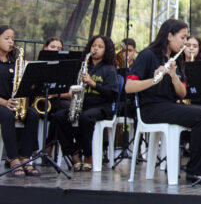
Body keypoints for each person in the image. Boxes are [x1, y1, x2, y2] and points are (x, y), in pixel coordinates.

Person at [126, 18, 201, 185]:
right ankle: (196, 172)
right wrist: (153, 80)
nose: (185, 43)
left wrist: (172, 76)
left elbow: (182, 93)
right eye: (183, 37)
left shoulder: (175, 60)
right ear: (169, 36)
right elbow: (129, 87)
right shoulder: (148, 55)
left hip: (169, 105)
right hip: (151, 108)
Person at [50, 35, 119, 172]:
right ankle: (73, 152)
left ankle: (88, 155)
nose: (96, 49)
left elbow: (112, 93)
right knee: (59, 117)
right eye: (94, 46)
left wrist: (93, 84)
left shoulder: (109, 69)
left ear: (106, 50)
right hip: (83, 105)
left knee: (85, 118)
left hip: (101, 106)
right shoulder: (84, 66)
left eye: (100, 47)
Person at [0, 25, 41, 177]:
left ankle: (25, 157)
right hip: (2, 105)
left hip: (11, 103)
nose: (11, 42)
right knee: (6, 115)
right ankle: (12, 158)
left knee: (33, 115)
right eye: (6, 38)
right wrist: (4, 102)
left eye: (12, 38)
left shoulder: (14, 62)